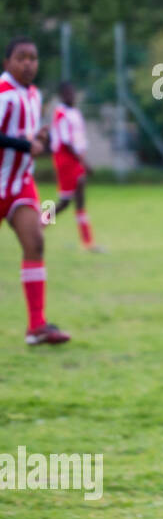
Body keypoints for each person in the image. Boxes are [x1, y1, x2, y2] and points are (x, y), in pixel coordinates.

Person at [1, 38, 70, 344]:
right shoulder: (3, 94)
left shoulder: (34, 94)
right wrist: (25, 144)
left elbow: (28, 138)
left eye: (34, 57)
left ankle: (37, 327)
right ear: (7, 63)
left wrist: (39, 138)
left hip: (20, 185)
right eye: (21, 57)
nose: (29, 63)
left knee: (36, 242)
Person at [48, 82, 101, 251]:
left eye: (73, 93)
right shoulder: (61, 113)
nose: (71, 96)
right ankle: (39, 223)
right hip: (66, 159)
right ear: (62, 95)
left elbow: (78, 138)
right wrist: (84, 163)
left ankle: (87, 241)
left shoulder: (75, 112)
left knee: (79, 198)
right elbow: (67, 142)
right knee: (64, 201)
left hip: (76, 159)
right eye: (67, 93)